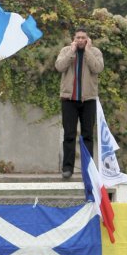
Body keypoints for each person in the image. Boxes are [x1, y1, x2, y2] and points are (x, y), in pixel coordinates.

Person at [54, 27, 104, 179]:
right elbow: (59, 66)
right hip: (69, 100)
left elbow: (98, 68)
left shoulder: (95, 52)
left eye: (83, 38)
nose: (80, 40)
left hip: (88, 99)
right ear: (74, 39)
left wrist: (88, 51)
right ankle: (67, 168)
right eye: (78, 38)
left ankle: (88, 168)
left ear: (88, 39)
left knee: (87, 135)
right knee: (69, 135)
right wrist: (71, 52)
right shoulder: (65, 51)